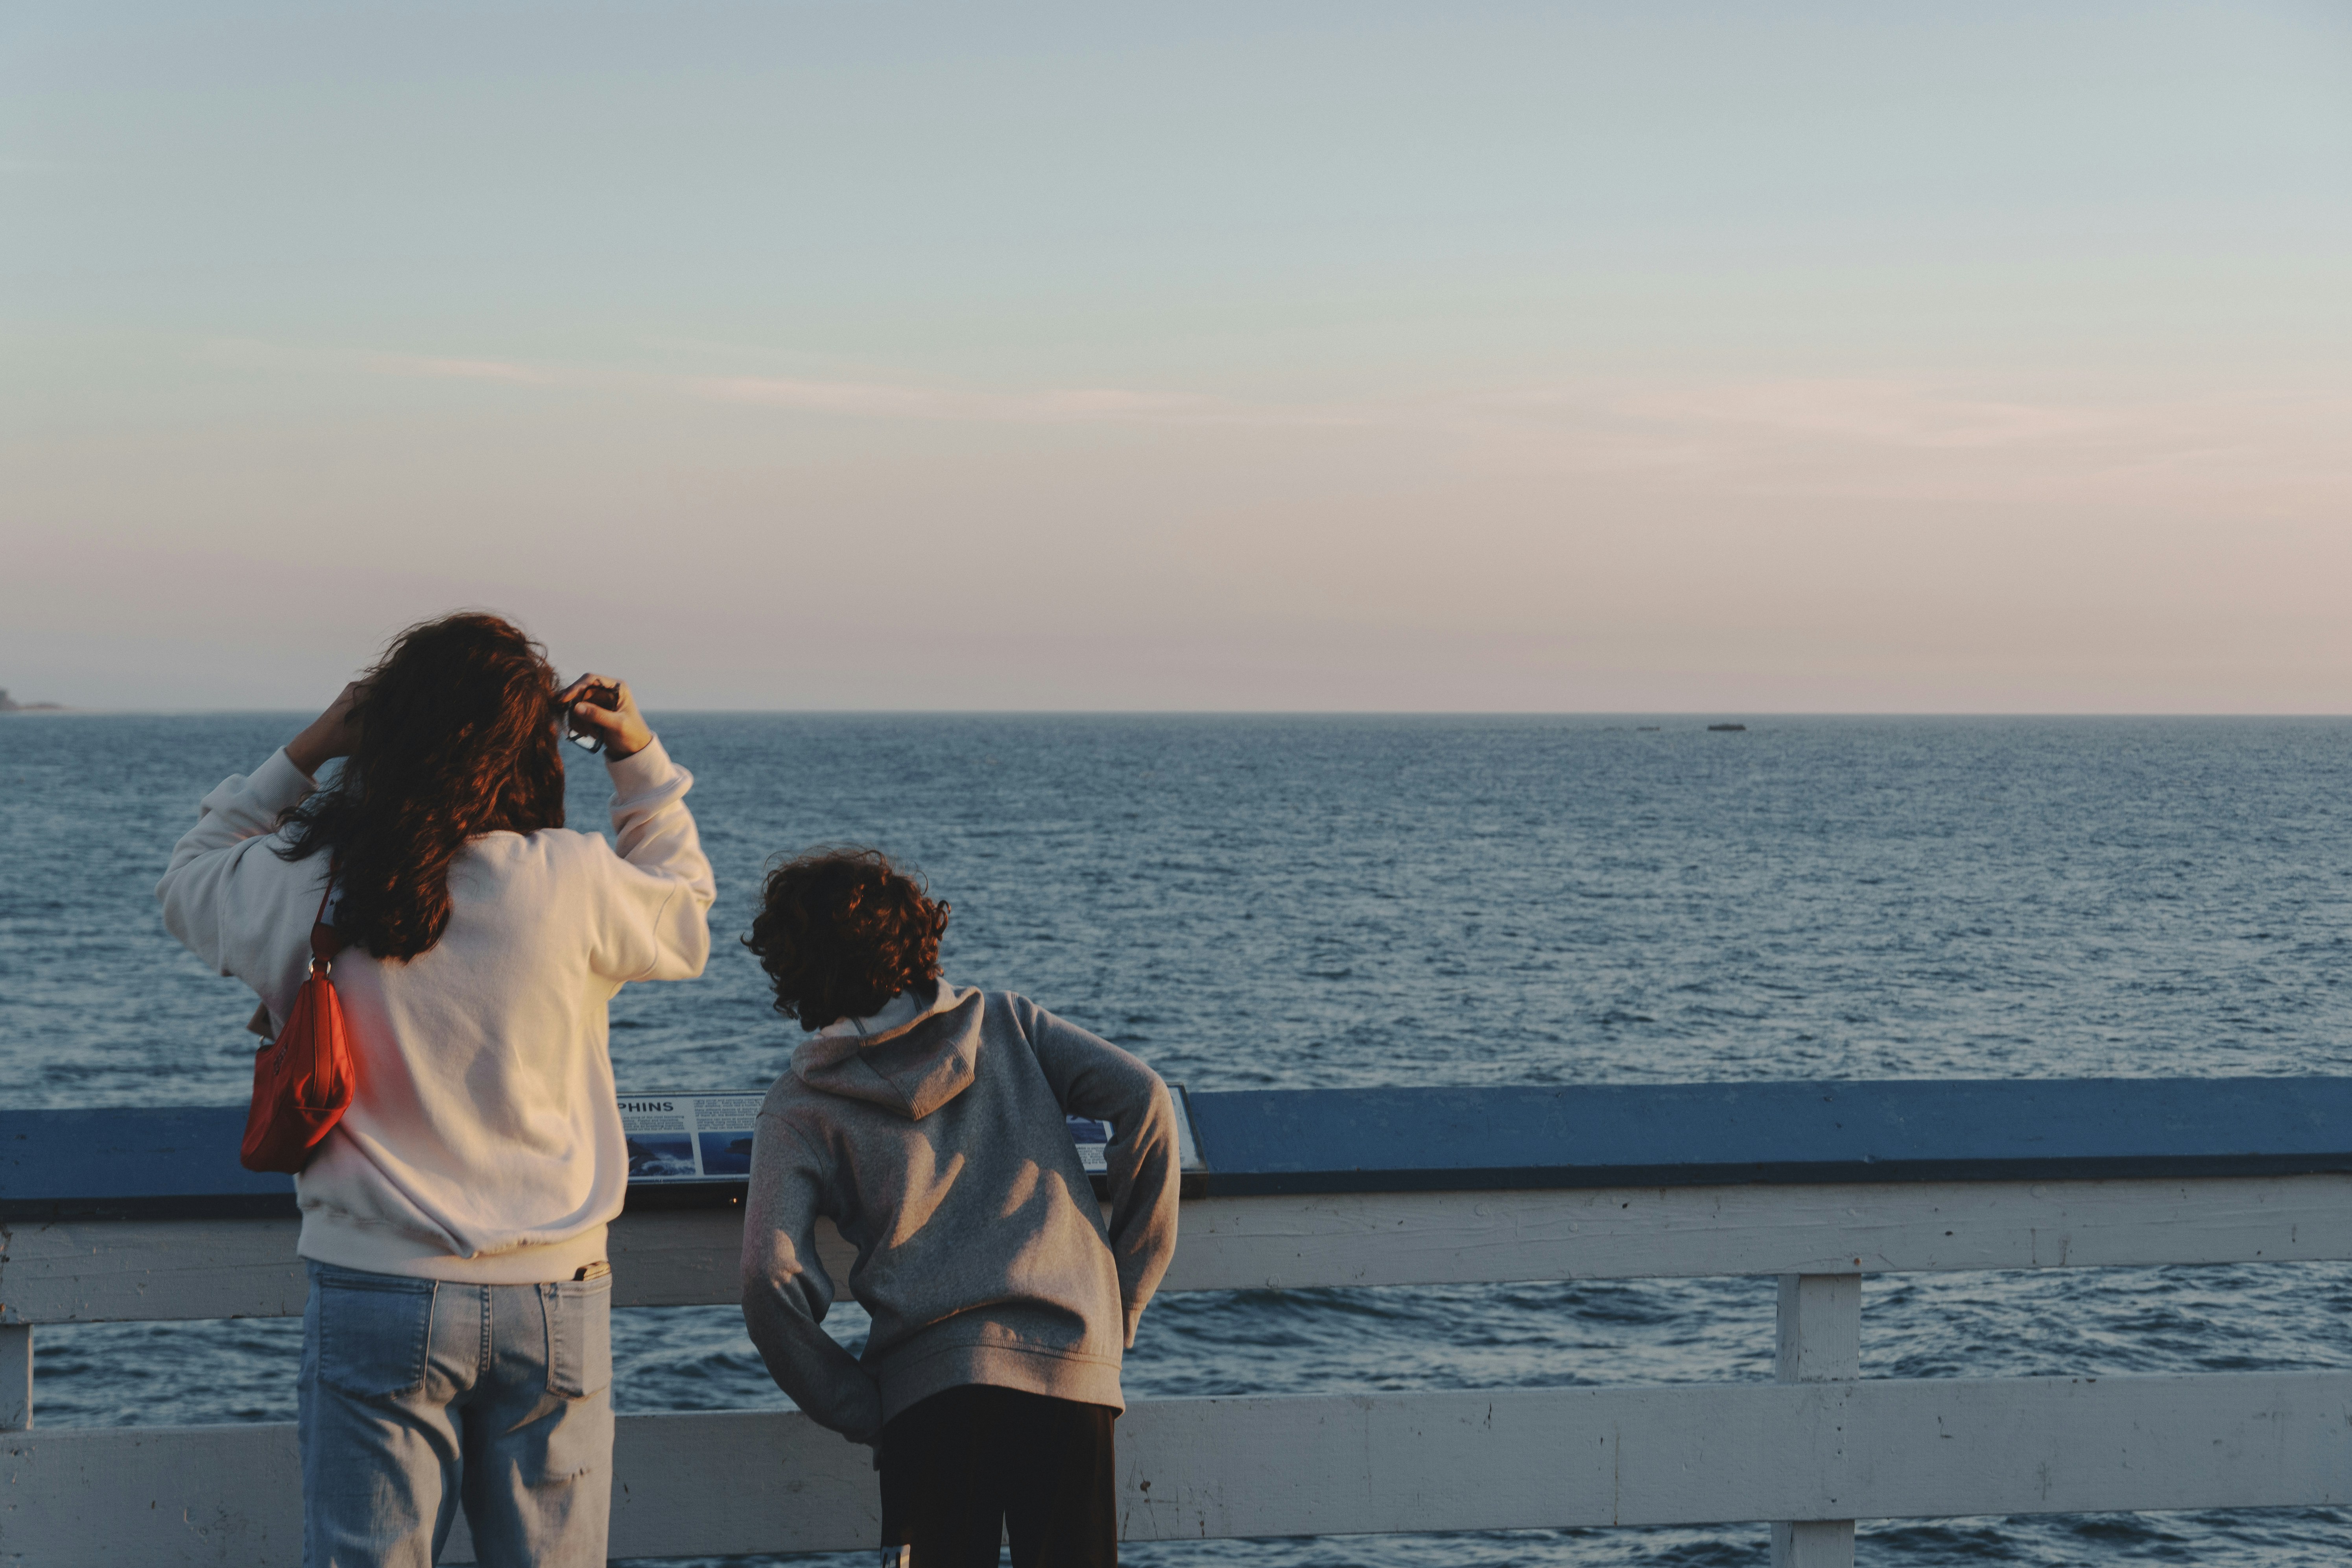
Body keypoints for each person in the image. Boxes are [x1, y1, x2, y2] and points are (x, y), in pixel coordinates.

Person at [155, 612, 716, 1568]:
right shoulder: (570, 879)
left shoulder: (316, 885)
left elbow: (189, 878)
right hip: (554, 1283)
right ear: (527, 745)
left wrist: (313, 744)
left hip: (378, 1282)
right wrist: (640, 757)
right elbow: (684, 905)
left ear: (386, 730)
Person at [737, 848, 1179, 1568]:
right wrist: (1120, 1304)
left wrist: (861, 1405)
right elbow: (1147, 1101)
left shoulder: (801, 1105)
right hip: (1069, 1368)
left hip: (931, 1399)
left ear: (796, 968)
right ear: (914, 937)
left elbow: (766, 1275)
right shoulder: (1007, 1025)